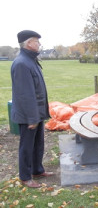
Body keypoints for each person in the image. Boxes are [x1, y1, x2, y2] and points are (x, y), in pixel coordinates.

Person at [11, 30, 53, 188]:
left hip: (36, 113)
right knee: (27, 146)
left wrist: (38, 115)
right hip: (28, 115)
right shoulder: (22, 63)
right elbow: (25, 95)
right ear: (28, 43)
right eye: (37, 41)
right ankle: (25, 176)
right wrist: (32, 118)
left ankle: (37, 170)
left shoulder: (30, 60)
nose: (39, 44)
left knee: (38, 143)